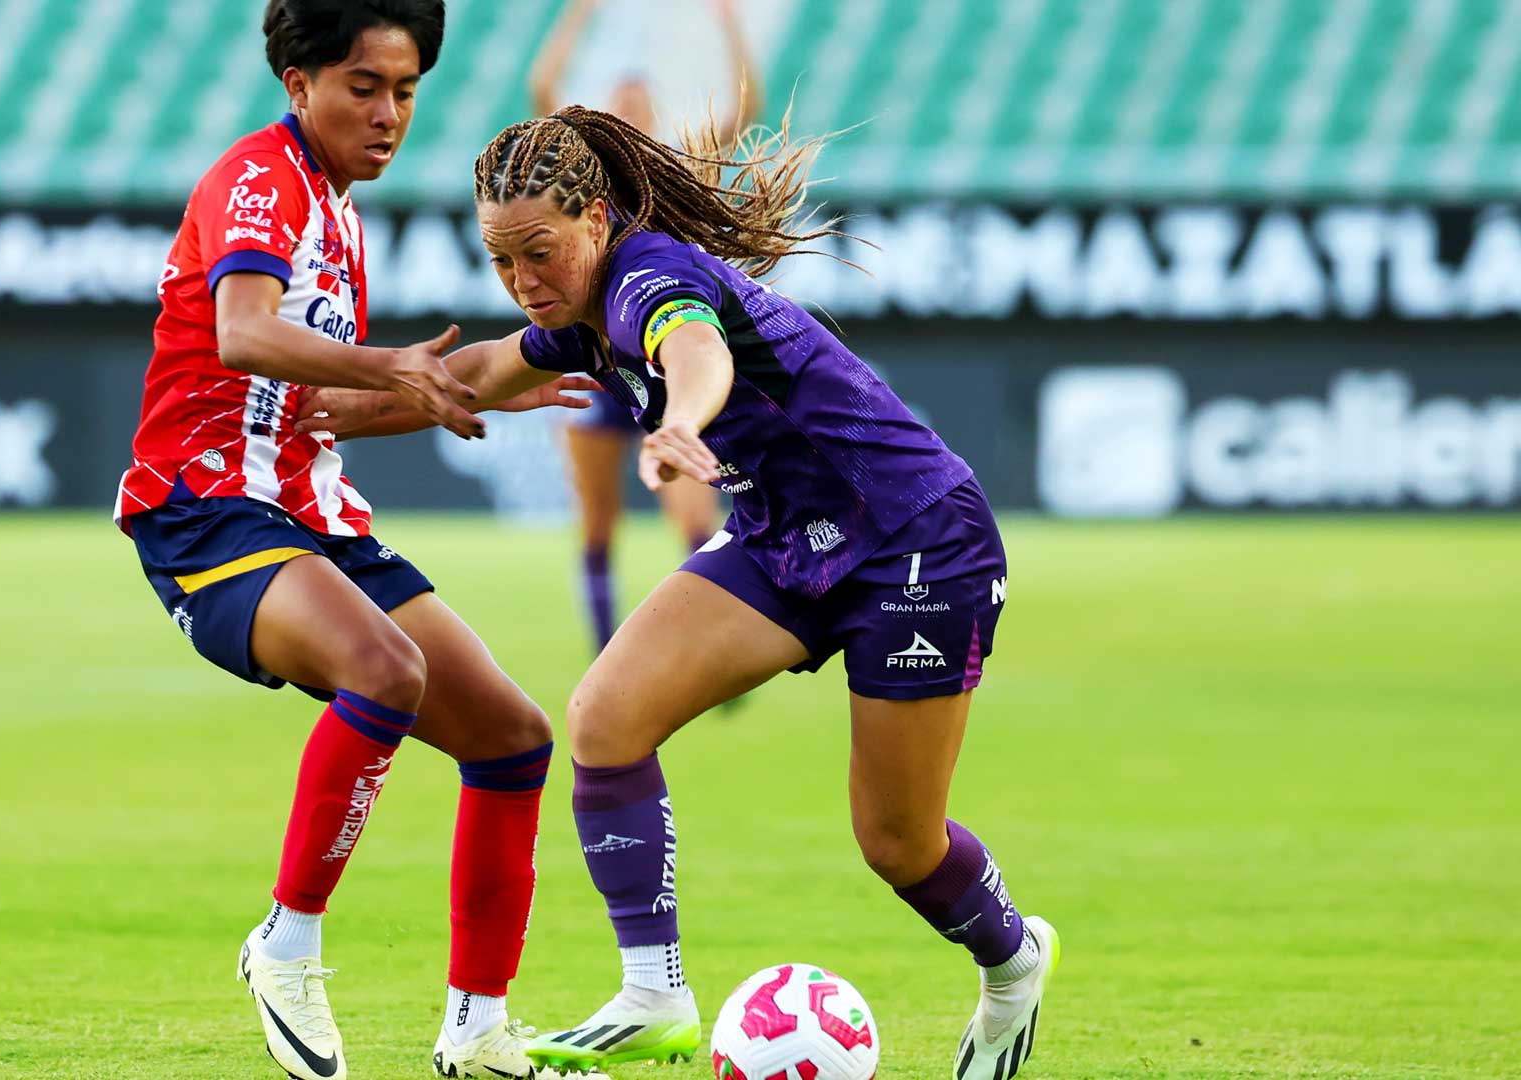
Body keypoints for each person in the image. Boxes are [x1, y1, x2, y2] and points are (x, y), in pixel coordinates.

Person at [297, 104, 1060, 1080]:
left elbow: (697, 350)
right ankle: (655, 993)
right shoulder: (577, 317)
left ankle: (1014, 963)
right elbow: (476, 372)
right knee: (605, 718)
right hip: (789, 541)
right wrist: (305, 420)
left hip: (915, 540)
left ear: (598, 220)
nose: (524, 281)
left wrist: (678, 423)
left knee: (897, 841)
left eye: (539, 252)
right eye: (501, 261)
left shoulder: (650, 280)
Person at [113, 4, 597, 1077]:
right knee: (387, 667)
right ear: (298, 84)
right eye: (362, 87)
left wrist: (449, 396)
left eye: (406, 91)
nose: (388, 115)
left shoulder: (337, 211)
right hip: (204, 513)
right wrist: (393, 366)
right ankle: (285, 945)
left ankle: (477, 1030)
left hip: (309, 512)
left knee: (513, 739)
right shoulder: (260, 181)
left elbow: (316, 413)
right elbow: (242, 336)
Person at [528, 0, 760, 652]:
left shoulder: (673, 172)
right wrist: (577, 16)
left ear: (655, 115)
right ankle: (606, 651)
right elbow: (543, 91)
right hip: (600, 372)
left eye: (640, 101)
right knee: (598, 526)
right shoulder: (584, 177)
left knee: (697, 519)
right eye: (620, 101)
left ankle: (712, 647)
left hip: (662, 372)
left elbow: (745, 111)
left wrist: (730, 25)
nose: (632, 109)